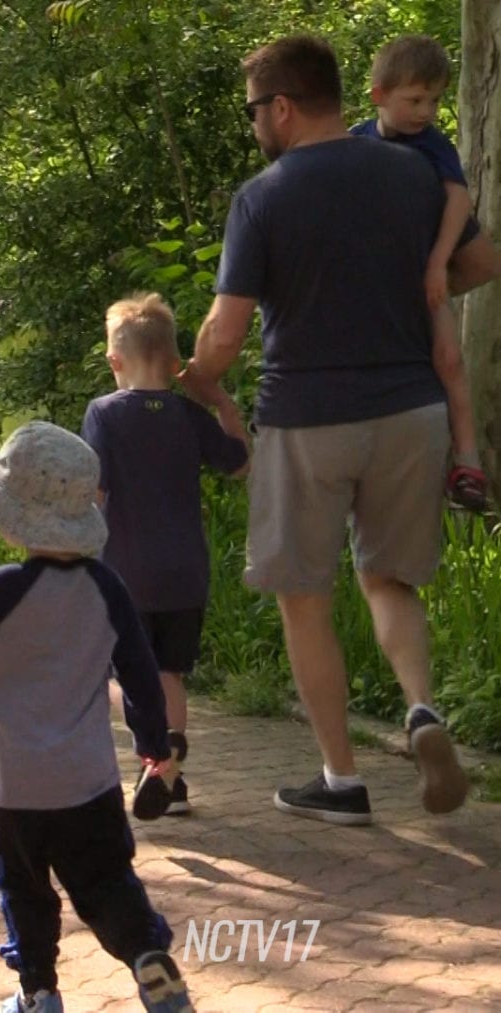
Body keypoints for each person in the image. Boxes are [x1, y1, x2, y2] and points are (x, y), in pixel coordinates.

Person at [184, 35, 497, 824]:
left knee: (304, 594)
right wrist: (420, 288)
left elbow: (224, 336)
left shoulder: (265, 194)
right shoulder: (414, 171)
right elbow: (483, 261)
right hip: (413, 411)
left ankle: (342, 780)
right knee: (389, 578)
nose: (255, 122)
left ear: (282, 107)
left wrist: (196, 382)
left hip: (308, 418)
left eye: (256, 109)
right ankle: (422, 707)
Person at [0, 422, 192, 1013]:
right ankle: (148, 957)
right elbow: (143, 679)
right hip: (89, 782)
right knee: (105, 881)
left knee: (23, 889)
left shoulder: (6, 589)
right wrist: (153, 748)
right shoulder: (109, 589)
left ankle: (39, 992)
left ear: (15, 517)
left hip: (15, 786)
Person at [80, 293, 249, 816]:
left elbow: (95, 494)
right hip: (185, 572)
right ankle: (171, 773)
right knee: (169, 671)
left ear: (114, 361)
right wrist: (221, 402)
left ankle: (156, 758)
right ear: (176, 365)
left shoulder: (104, 414)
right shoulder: (190, 414)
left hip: (123, 570)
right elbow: (240, 463)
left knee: (125, 673)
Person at [351, 35, 491, 510]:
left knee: (449, 360)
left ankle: (468, 462)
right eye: (414, 100)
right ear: (378, 96)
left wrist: (437, 265)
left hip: (426, 276)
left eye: (434, 100)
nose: (426, 111)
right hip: (371, 287)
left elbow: (458, 198)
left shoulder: (433, 146)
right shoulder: (355, 142)